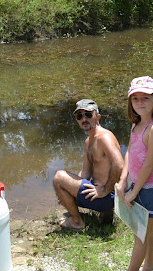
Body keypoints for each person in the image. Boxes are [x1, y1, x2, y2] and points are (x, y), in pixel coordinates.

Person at [108, 76, 153, 271]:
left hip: (148, 190)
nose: (140, 102)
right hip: (136, 185)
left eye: (145, 98)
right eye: (135, 99)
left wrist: (134, 192)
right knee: (148, 231)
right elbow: (130, 152)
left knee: (140, 234)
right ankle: (148, 270)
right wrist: (124, 181)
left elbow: (148, 165)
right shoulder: (137, 125)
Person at [53, 99, 124, 231]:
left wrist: (104, 190)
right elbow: (85, 173)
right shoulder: (88, 141)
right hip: (99, 192)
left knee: (58, 178)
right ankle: (104, 215)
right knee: (63, 185)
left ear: (97, 117)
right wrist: (68, 190)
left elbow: (119, 165)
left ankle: (77, 222)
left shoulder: (104, 137)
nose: (84, 119)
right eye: (80, 116)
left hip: (107, 196)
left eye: (88, 114)